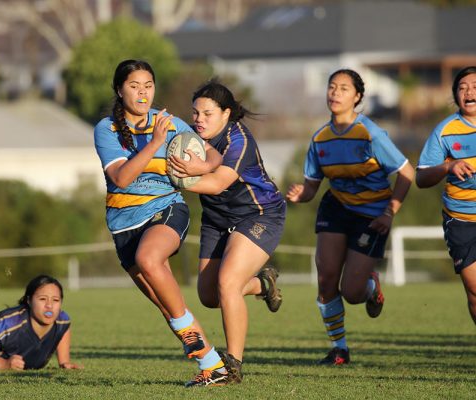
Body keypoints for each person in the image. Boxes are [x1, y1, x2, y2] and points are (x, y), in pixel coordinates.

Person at [94, 59, 234, 387]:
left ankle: (203, 354)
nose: (143, 93)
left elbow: (213, 155)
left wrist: (200, 168)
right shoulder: (106, 129)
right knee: (167, 304)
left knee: (149, 258)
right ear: (119, 89)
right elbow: (122, 177)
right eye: (134, 86)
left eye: (148, 86)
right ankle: (213, 366)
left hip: (166, 209)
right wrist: (156, 143)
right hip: (123, 225)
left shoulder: (167, 122)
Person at [286, 69, 414, 365]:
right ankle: (339, 349)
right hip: (336, 207)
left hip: (372, 215)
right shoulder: (320, 138)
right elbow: (312, 188)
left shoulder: (370, 133)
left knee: (352, 292)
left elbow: (407, 173)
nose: (335, 93)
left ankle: (371, 286)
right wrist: (300, 194)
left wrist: (390, 212)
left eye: (344, 88)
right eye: (332, 87)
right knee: (326, 275)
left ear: (357, 97)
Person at [168, 80, 285, 383]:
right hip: (217, 220)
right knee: (209, 295)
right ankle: (262, 283)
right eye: (195, 113)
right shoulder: (191, 139)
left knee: (228, 283)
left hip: (259, 214)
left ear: (226, 114)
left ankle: (232, 365)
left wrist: (181, 177)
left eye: (207, 113)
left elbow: (218, 183)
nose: (199, 119)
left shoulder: (239, 140)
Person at [416, 66, 476, 325]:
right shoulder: (445, 130)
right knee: (474, 293)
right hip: (461, 220)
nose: (469, 92)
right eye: (462, 88)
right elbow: (421, 177)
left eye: (474, 86)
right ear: (455, 95)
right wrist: (448, 166)